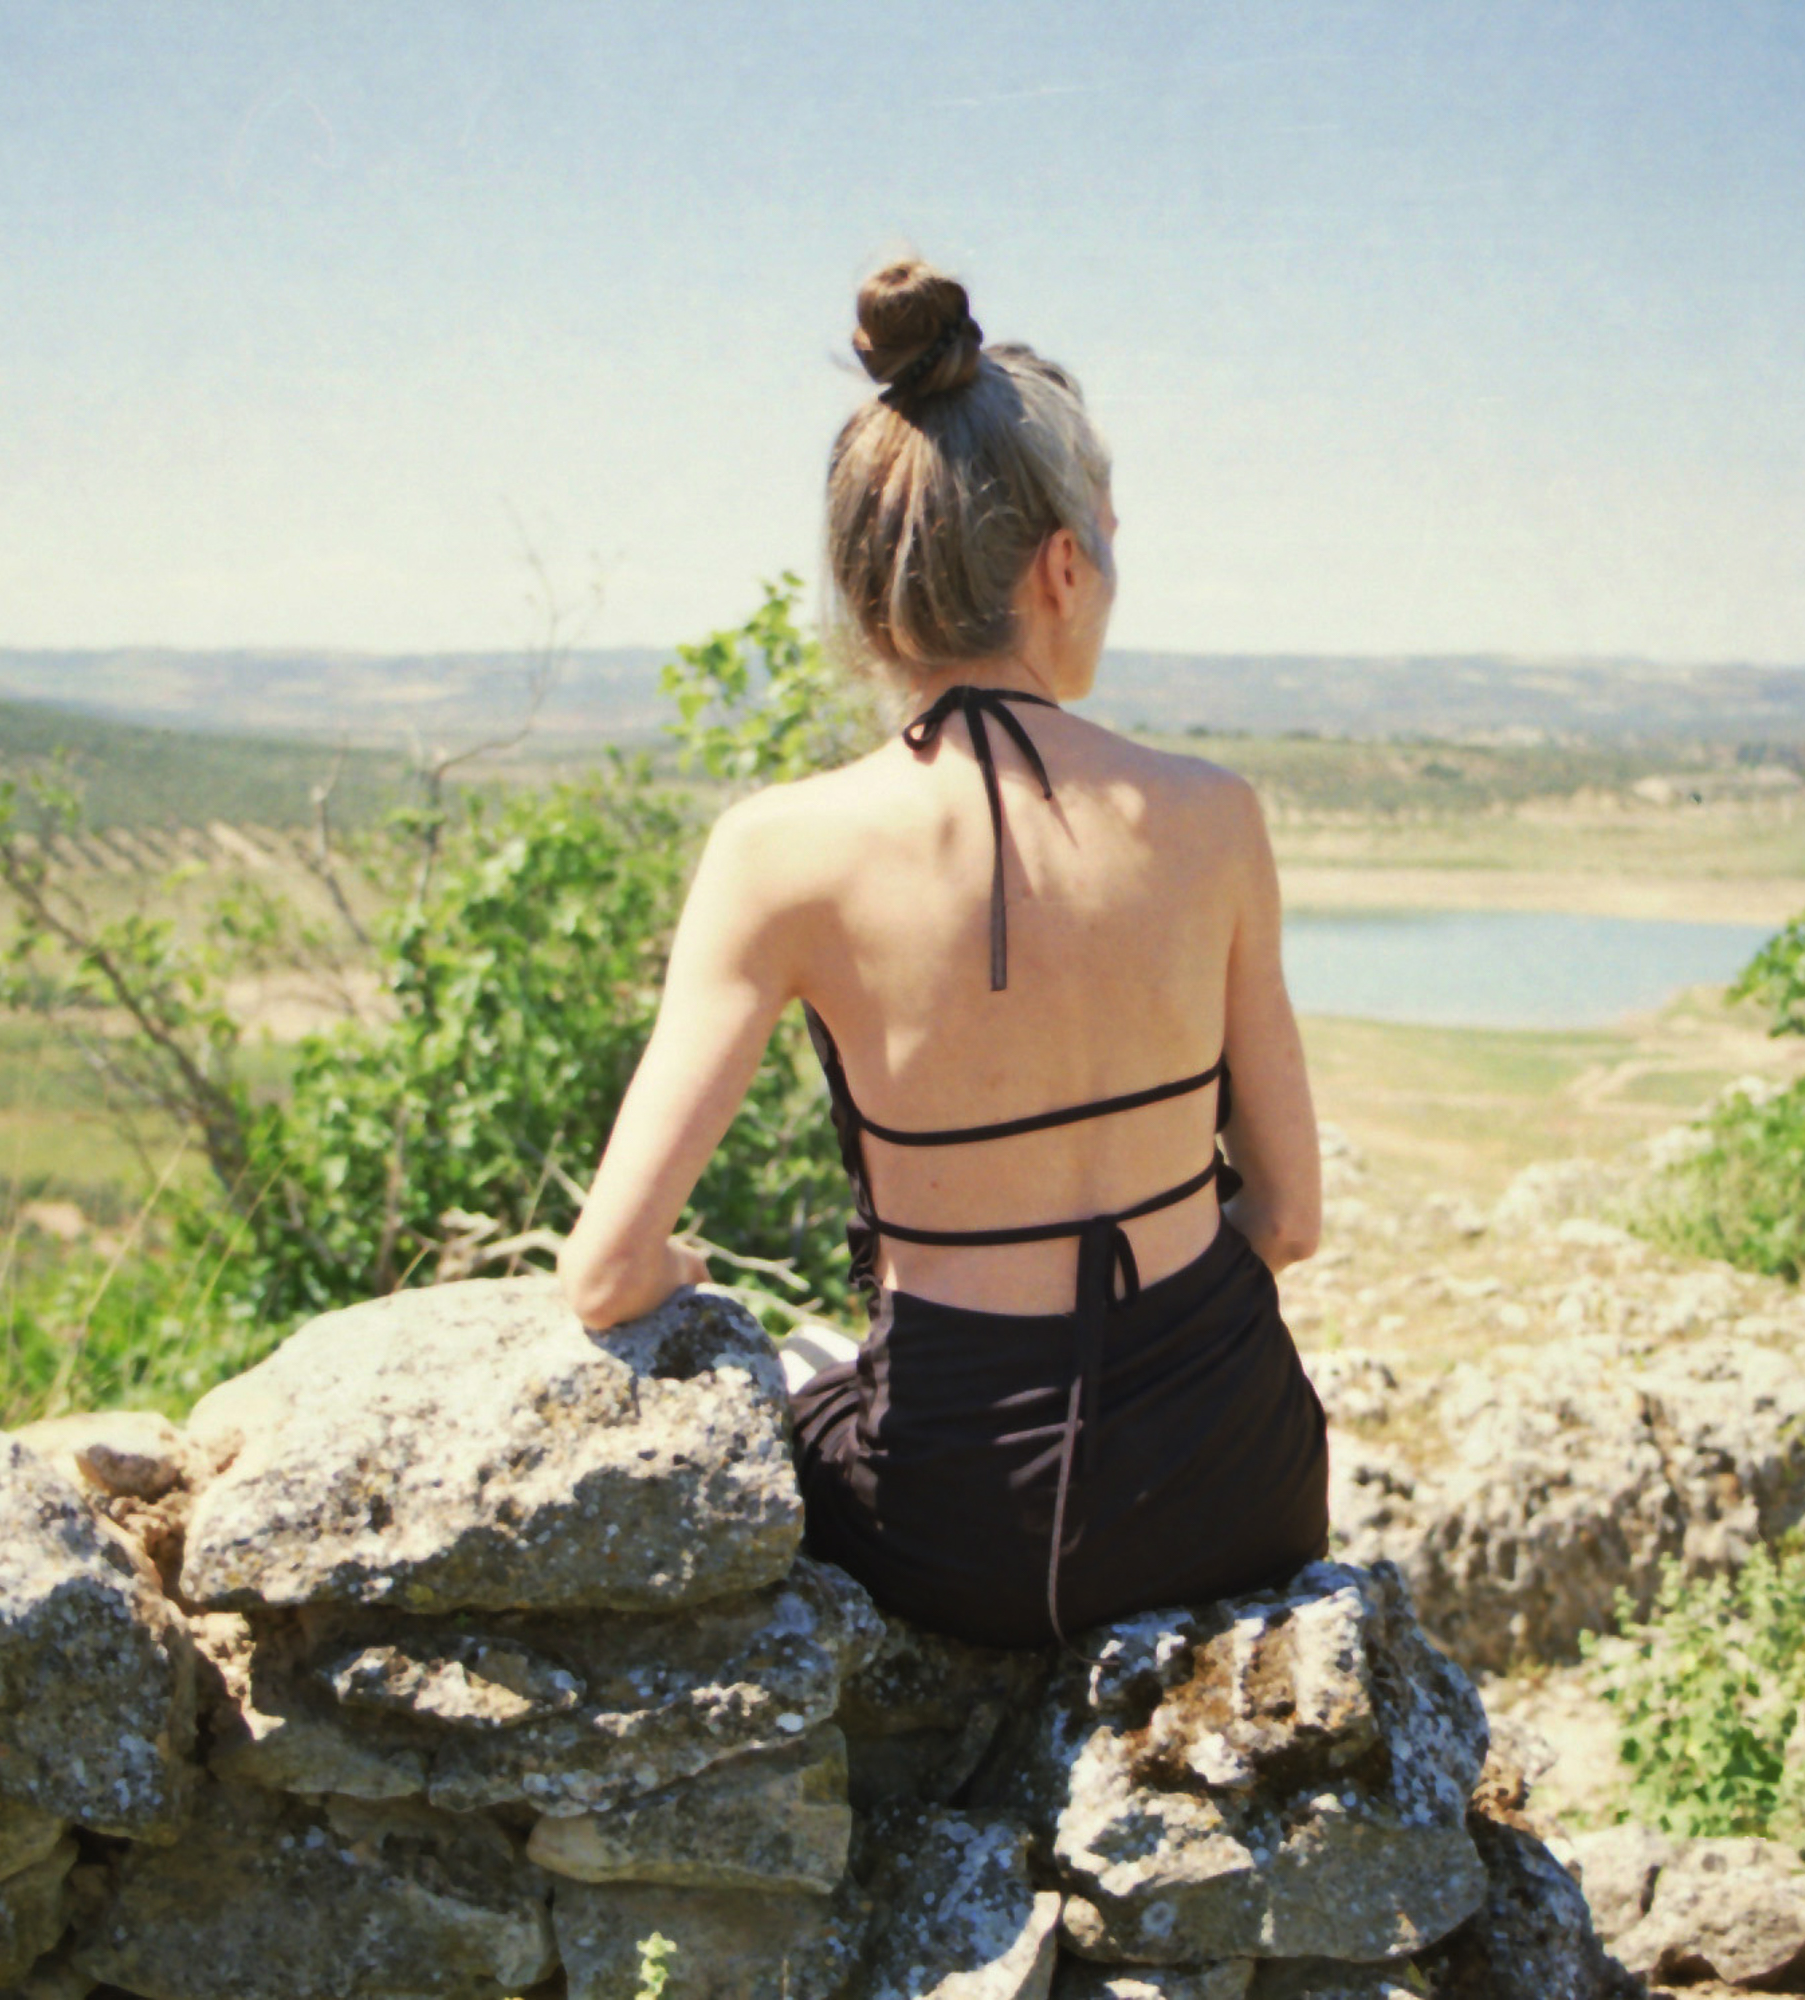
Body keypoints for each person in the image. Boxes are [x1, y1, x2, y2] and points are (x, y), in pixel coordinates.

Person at [559, 258, 1329, 1651]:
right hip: (1238, 1478)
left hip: (966, 1530)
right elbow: (1282, 1223)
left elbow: (606, 1272)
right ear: (1061, 566)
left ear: (868, 590)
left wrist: (694, 1280)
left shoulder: (777, 851)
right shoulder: (1214, 819)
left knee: (815, 1366)